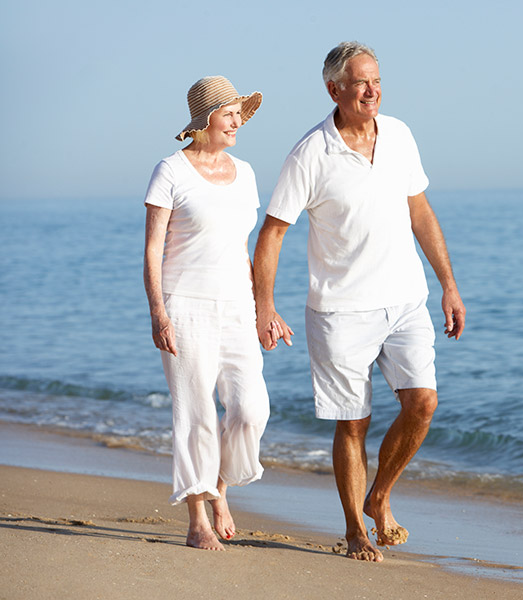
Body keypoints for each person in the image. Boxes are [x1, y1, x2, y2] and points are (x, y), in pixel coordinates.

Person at [253, 41, 465, 563]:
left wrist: (448, 284)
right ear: (334, 90)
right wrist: (264, 305)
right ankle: (355, 530)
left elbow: (420, 211)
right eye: (360, 83)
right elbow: (273, 233)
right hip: (340, 310)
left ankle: (380, 495)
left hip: (406, 300)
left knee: (423, 403)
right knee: (353, 423)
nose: (371, 91)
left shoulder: (400, 135)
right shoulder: (310, 153)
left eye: (376, 80)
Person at [143, 76, 271, 551]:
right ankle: (198, 515)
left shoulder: (247, 172)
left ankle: (219, 484)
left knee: (251, 408)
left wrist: (265, 308)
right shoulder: (170, 171)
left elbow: (245, 248)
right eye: (229, 113)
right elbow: (153, 249)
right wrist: (159, 312)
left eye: (240, 112)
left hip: (238, 304)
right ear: (203, 121)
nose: (238, 121)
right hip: (185, 305)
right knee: (194, 411)